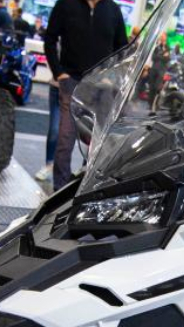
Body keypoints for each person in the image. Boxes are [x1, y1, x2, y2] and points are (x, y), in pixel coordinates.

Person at [44, 0, 127, 188]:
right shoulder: (66, 4)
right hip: (72, 82)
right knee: (65, 139)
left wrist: (113, 76)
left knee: (98, 143)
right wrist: (59, 73)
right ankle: (59, 189)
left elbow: (123, 48)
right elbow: (50, 39)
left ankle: (84, 187)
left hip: (103, 86)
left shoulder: (112, 10)